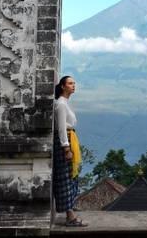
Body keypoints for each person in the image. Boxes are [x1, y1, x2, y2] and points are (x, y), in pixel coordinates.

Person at [53, 75, 87, 227]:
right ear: (62, 86)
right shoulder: (61, 104)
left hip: (69, 138)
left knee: (72, 176)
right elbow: (61, 128)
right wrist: (66, 148)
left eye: (74, 83)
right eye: (70, 83)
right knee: (65, 178)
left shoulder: (65, 102)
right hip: (64, 141)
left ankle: (70, 209)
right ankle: (70, 216)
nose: (73, 86)